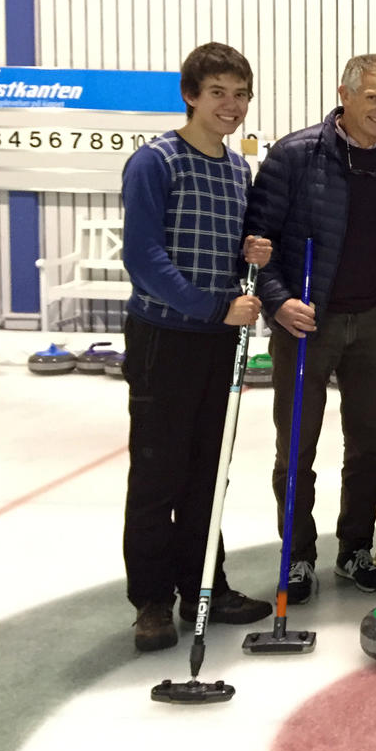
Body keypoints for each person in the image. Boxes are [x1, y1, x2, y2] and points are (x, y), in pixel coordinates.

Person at [244, 54, 376, 603]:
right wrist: (278, 301)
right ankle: (297, 555)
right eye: (373, 98)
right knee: (297, 446)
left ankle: (354, 548)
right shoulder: (295, 155)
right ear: (345, 94)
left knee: (368, 444)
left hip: (373, 322)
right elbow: (260, 239)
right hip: (307, 322)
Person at [120, 42, 273, 651]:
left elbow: (220, 246)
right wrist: (214, 306)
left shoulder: (238, 169)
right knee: (159, 474)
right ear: (191, 95)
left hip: (219, 342)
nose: (231, 106)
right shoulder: (155, 160)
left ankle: (204, 585)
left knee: (209, 477)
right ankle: (152, 602)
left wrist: (250, 254)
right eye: (219, 94)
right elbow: (144, 259)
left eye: (240, 95)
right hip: (165, 338)